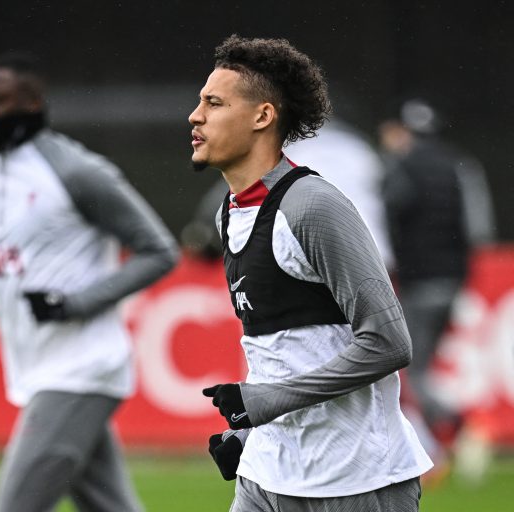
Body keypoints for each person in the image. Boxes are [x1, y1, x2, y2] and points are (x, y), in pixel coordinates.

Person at [0, 53, 178, 512]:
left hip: (83, 367)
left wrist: (73, 303)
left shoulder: (77, 171)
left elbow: (160, 252)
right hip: (38, 371)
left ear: (33, 101)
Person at [189, 35, 432, 511]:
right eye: (200, 102)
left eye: (214, 103)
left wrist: (265, 402)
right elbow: (284, 356)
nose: (195, 116)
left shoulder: (313, 206)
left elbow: (389, 343)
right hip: (265, 476)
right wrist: (251, 433)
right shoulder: (230, 213)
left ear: (262, 116)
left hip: (355, 482)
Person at [379, 98, 496, 444]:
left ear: (403, 131)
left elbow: (384, 222)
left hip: (417, 281)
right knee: (424, 365)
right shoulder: (460, 165)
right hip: (453, 280)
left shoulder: (400, 166)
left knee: (412, 371)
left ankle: (458, 422)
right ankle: (440, 439)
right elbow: (480, 228)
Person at [181, 118, 395, 273]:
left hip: (309, 262)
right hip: (372, 256)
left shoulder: (282, 147)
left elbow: (228, 197)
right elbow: (396, 197)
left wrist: (202, 237)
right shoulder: (357, 148)